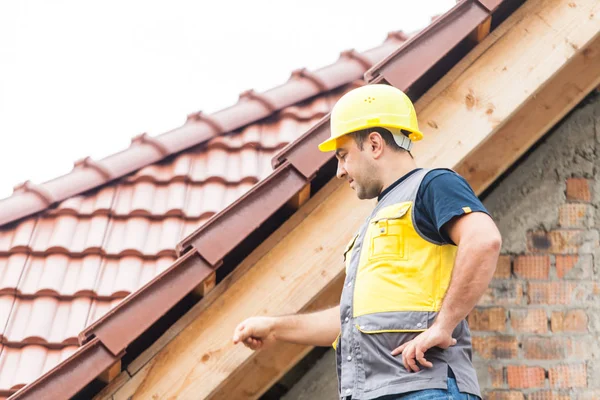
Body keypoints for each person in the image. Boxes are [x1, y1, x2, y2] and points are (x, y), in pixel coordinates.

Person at [232, 84, 501, 400]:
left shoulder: (432, 185)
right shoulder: (376, 221)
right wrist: (274, 328)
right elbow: (351, 322)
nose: (339, 171)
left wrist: (443, 327)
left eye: (343, 155)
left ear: (374, 144)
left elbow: (483, 240)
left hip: (426, 389)